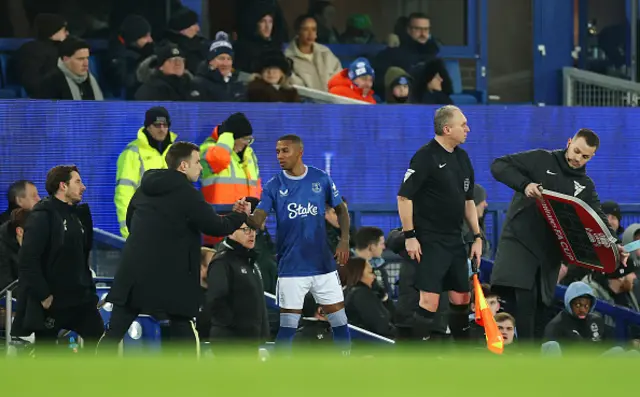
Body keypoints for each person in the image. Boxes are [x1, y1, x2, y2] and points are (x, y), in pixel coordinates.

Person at [99, 142, 248, 356]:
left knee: (114, 332)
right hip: (172, 275)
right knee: (182, 325)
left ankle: (94, 378)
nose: (200, 168)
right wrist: (240, 215)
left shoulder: (144, 189)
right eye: (197, 162)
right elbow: (217, 226)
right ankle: (187, 383)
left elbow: (131, 222)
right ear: (183, 166)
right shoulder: (188, 194)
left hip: (134, 272)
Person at [490, 128, 628, 341]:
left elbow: (598, 218)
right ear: (569, 141)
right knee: (523, 303)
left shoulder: (586, 186)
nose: (578, 158)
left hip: (551, 253)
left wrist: (615, 245)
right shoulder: (541, 159)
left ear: (592, 157)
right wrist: (525, 185)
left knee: (541, 308)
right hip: (521, 244)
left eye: (585, 156)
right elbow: (498, 166)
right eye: (576, 151)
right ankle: (521, 360)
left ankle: (534, 362)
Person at [246, 134, 352, 353]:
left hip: (322, 265)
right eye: (277, 151)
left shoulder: (320, 178)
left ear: (299, 152)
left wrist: (344, 239)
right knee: (288, 326)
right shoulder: (274, 185)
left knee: (340, 321)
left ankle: (346, 369)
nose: (279, 156)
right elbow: (257, 220)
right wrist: (244, 216)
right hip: (291, 267)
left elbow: (341, 209)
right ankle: (281, 374)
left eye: (285, 151)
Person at [397, 105, 482, 342]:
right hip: (430, 239)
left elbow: (468, 200)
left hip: (455, 239)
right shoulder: (425, 156)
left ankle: (462, 358)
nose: (468, 128)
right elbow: (404, 197)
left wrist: (477, 236)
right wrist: (410, 235)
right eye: (462, 124)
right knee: (430, 301)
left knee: (461, 299)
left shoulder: (463, 157)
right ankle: (414, 359)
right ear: (447, 129)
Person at [14, 165, 101, 351]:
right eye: (77, 182)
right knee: (47, 355)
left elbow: (82, 255)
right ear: (63, 185)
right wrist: (44, 295)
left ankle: (93, 379)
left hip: (81, 298)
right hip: (53, 301)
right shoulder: (42, 216)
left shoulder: (78, 215)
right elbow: (28, 260)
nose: (83, 187)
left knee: (99, 338)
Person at [206, 221, 269, 352]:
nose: (252, 234)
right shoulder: (222, 262)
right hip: (230, 341)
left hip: (250, 340)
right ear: (231, 232)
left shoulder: (250, 261)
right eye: (246, 230)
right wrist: (234, 326)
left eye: (253, 229)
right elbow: (216, 299)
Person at [115, 106, 177, 238]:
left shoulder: (176, 151)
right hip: (143, 226)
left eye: (165, 125)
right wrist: (128, 232)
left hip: (173, 228)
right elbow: (124, 194)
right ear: (148, 127)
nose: (162, 129)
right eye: (157, 125)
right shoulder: (132, 152)